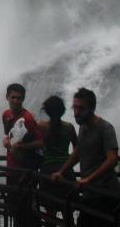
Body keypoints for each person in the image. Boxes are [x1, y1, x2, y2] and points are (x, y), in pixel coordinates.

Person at [51, 88, 120, 227]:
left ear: (92, 108)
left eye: (81, 108)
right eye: (75, 107)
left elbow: (112, 159)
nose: (76, 112)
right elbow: (78, 152)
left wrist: (88, 179)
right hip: (90, 194)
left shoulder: (105, 128)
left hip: (106, 195)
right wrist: (61, 172)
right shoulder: (83, 127)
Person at [2, 83, 43, 227]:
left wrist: (19, 146)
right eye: (13, 97)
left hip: (26, 171)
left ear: (23, 99)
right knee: (14, 208)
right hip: (11, 169)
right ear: (7, 97)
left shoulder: (28, 118)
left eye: (19, 98)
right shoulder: (6, 115)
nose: (16, 101)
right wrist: (7, 140)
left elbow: (40, 142)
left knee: (27, 211)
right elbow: (9, 135)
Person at [37, 95, 78, 226]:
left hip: (47, 172)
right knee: (68, 214)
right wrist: (68, 162)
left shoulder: (41, 127)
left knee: (50, 215)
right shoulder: (69, 127)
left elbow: (32, 144)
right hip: (66, 171)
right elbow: (78, 150)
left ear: (46, 111)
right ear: (63, 110)